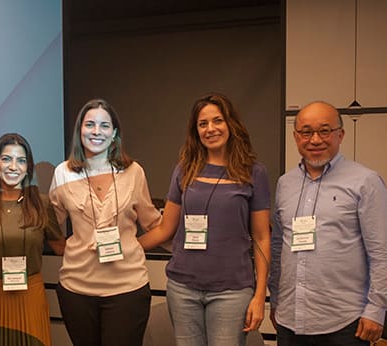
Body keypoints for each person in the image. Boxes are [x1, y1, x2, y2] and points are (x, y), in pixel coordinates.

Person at [138, 92, 271, 345]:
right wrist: (127, 248)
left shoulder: (253, 172)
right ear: (195, 130)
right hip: (183, 288)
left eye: (217, 121)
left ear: (230, 124)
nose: (211, 129)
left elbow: (262, 237)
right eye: (203, 124)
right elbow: (166, 228)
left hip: (232, 291)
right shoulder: (184, 169)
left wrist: (260, 294)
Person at [269, 101, 387, 345]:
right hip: (290, 320)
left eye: (325, 131)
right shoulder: (285, 184)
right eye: (306, 132)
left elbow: (381, 252)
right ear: (295, 136)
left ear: (340, 134)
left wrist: (376, 309)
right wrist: (277, 301)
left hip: (345, 322)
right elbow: (278, 247)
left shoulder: (366, 181)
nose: (315, 139)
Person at [49, 99, 162, 346]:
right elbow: (49, 226)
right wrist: (64, 249)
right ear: (80, 131)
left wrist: (131, 246)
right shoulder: (63, 173)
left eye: (104, 125)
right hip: (77, 290)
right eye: (89, 124)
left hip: (127, 289)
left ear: (115, 134)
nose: (96, 131)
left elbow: (154, 224)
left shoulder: (134, 171)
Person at [0, 133, 64, 346]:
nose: (13, 166)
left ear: (28, 168)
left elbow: (61, 247)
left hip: (29, 296)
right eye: (6, 158)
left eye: (21, 160)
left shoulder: (42, 205)